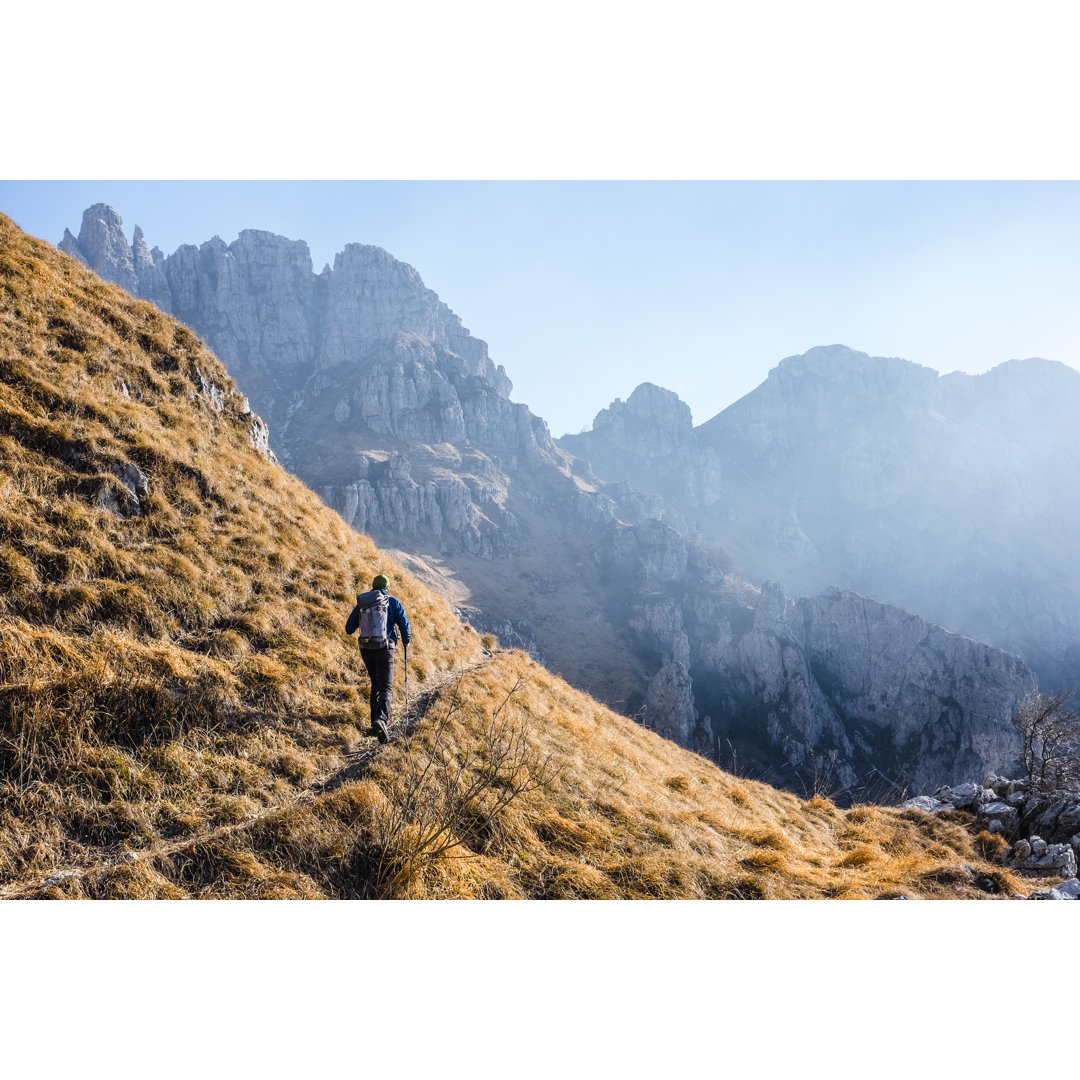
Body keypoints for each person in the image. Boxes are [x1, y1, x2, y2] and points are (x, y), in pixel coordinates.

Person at [345, 573, 411, 743]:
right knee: (386, 686)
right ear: (387, 587)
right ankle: (381, 720)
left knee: (375, 683)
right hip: (385, 649)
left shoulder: (363, 603)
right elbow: (404, 624)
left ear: (373, 586)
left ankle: (374, 723)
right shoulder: (393, 602)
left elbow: (349, 628)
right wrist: (406, 640)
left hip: (367, 649)